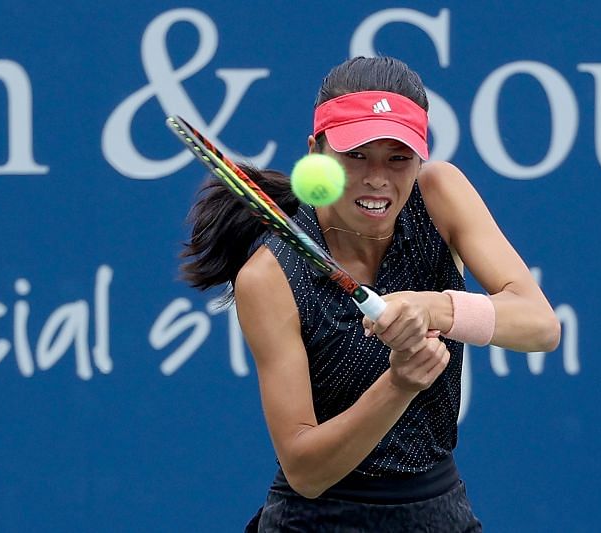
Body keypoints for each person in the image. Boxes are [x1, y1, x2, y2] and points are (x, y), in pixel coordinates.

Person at [181, 56, 560, 532]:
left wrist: (432, 307)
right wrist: (398, 384)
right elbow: (305, 470)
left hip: (439, 511)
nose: (378, 178)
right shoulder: (270, 275)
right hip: (317, 522)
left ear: (420, 159)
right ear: (316, 152)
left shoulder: (440, 193)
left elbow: (541, 327)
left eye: (398, 157)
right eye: (356, 154)